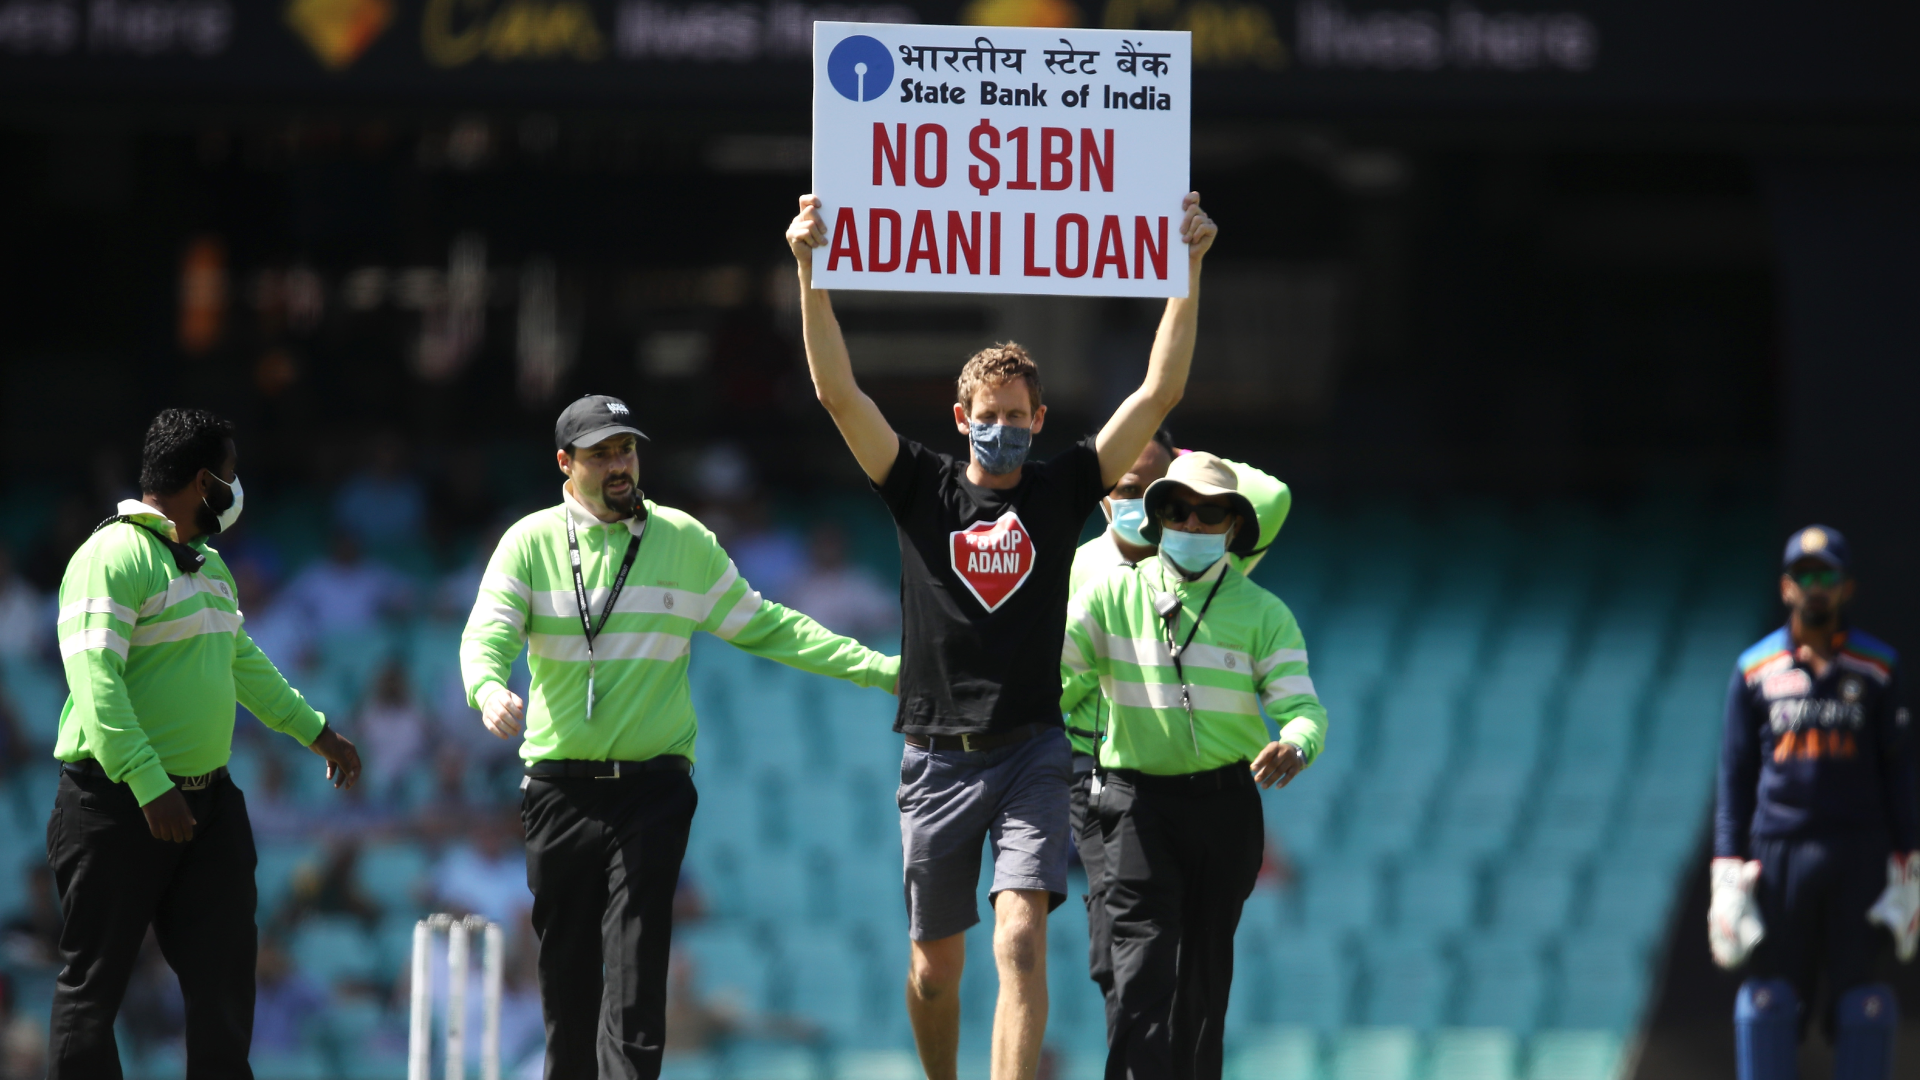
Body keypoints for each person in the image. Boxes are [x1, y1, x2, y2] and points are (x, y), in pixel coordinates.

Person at [785, 190, 1218, 1080]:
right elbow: (837, 391)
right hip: (937, 756)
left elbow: (1159, 391)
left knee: (1021, 937)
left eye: (1022, 415)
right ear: (961, 416)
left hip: (1033, 750)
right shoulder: (920, 487)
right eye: (993, 412)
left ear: (1040, 422)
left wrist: (1189, 268)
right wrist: (808, 269)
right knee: (934, 974)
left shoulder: (1064, 489)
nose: (1007, 427)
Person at [459, 394, 899, 1079]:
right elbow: (487, 631)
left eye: (626, 449)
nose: (619, 464)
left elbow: (769, 625)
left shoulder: (684, 541)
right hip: (558, 789)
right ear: (564, 464)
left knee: (638, 969)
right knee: (567, 975)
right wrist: (487, 688)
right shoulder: (531, 541)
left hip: (654, 787)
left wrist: (878, 670)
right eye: (601, 453)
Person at [46, 407, 362, 1078]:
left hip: (207, 807)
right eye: (229, 475)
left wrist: (317, 731)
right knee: (92, 992)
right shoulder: (111, 556)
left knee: (223, 990)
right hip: (116, 803)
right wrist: (148, 781)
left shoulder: (211, 567)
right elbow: (96, 683)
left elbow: (243, 663)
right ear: (201, 483)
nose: (234, 486)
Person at [1060, 452, 1325, 1080]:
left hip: (1226, 806)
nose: (1194, 523)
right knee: (1141, 968)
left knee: (1205, 980)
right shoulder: (1109, 594)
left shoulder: (1264, 613)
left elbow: (1302, 706)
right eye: (1178, 509)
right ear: (1158, 518)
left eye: (1211, 512)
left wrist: (1296, 743)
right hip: (1134, 802)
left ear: (1234, 525)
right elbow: (1055, 680)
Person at [1710, 525, 1919, 1080]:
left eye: (1826, 576)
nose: (1815, 588)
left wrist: (1911, 863)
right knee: (1769, 1005)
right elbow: (1734, 774)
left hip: (1859, 852)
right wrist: (1726, 870)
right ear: (1786, 588)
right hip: (1778, 854)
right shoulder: (1754, 670)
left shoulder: (1877, 667)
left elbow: (1899, 771)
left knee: (1863, 1009)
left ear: (1846, 587)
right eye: (1804, 577)